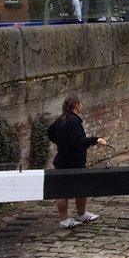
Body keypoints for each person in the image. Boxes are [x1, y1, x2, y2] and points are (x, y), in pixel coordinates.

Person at [47, 95, 107, 229]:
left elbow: (50, 133)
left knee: (77, 187)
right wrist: (95, 140)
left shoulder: (61, 119)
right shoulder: (74, 122)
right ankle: (66, 219)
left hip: (62, 160)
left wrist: (61, 143)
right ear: (77, 105)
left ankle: (81, 214)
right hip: (72, 161)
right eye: (81, 104)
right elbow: (78, 143)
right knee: (66, 190)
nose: (82, 106)